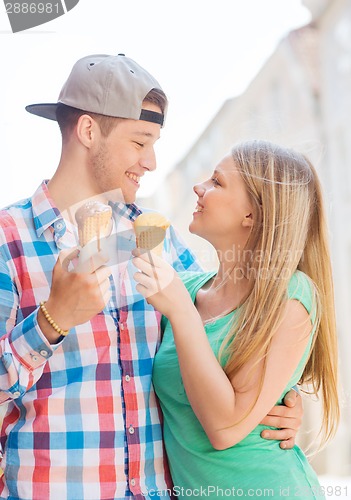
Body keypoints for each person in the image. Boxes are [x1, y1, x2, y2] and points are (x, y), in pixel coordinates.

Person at [0, 54, 302, 500]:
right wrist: (52, 320)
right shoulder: (10, 241)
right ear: (88, 132)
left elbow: (223, 339)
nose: (152, 161)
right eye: (140, 142)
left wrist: (278, 397)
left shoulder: (156, 239)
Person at [133, 140, 340, 499]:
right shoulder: (186, 287)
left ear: (252, 215)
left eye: (216, 182)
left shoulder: (292, 294)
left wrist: (182, 313)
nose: (199, 188)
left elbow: (225, 428)